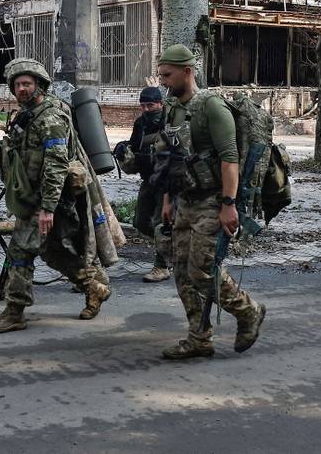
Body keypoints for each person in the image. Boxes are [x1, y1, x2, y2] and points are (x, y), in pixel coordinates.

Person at [0, 59, 111, 333]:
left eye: (26, 83)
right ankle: (94, 287)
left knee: (20, 252)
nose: (21, 89)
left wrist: (48, 209)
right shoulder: (29, 113)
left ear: (39, 84)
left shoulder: (50, 117)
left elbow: (55, 165)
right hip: (34, 198)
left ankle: (15, 312)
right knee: (53, 252)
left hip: (48, 200)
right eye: (17, 85)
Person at [154, 43, 266, 359]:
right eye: (161, 74)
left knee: (202, 270)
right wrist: (167, 200)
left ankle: (248, 310)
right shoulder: (173, 107)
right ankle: (199, 338)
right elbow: (170, 159)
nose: (163, 81)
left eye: (167, 75)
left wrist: (229, 205)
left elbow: (230, 159)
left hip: (213, 200)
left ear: (187, 72)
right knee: (181, 271)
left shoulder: (211, 107)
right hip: (184, 200)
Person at [114, 86, 173, 283]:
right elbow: (134, 155)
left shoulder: (171, 121)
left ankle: (161, 266)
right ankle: (172, 249)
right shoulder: (141, 124)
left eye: (151, 105)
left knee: (160, 224)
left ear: (160, 104)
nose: (147, 109)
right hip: (149, 180)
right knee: (140, 222)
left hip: (168, 181)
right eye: (143, 105)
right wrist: (123, 153)